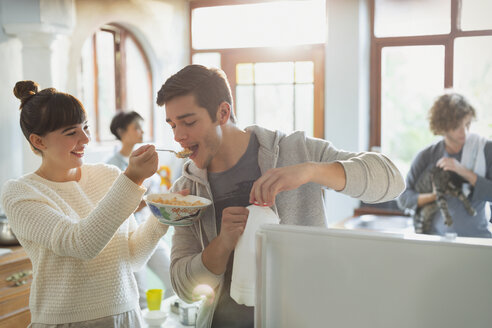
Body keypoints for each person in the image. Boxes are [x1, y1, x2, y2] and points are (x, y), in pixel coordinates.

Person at [155, 64, 405, 328]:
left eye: (189, 122)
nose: (178, 137)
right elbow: (183, 287)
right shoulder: (186, 191)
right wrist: (222, 243)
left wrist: (310, 171)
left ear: (223, 112)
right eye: (172, 125)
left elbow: (392, 180)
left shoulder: (295, 151)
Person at [1, 81, 169, 327]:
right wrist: (133, 178)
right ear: (39, 141)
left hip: (127, 317)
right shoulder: (20, 193)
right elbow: (80, 244)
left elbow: (132, 258)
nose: (86, 139)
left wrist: (164, 213)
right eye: (71, 133)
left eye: (86, 127)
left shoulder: (110, 175)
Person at [398, 92, 492, 238]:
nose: (465, 132)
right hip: (438, 241)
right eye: (456, 126)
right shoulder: (426, 156)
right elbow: (404, 199)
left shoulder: (485, 150)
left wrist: (463, 171)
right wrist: (434, 195)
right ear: (442, 126)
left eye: (467, 124)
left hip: (480, 240)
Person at [107, 110, 174, 304]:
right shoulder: (112, 167)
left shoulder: (145, 160)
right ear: (121, 132)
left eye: (142, 128)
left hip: (149, 227)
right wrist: (151, 200)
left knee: (174, 278)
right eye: (136, 128)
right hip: (127, 236)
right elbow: (118, 208)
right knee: (139, 295)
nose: (141, 132)